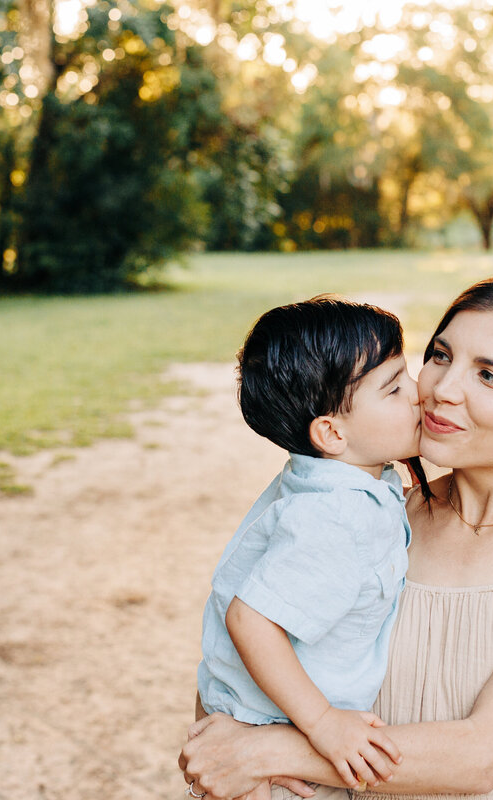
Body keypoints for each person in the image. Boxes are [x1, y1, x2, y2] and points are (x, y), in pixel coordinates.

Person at [180, 275, 493, 800]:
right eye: (441, 356)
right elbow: (239, 633)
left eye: (490, 377)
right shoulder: (371, 512)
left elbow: (480, 758)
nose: (441, 390)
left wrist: (267, 752)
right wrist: (224, 735)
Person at [193, 297, 424, 800]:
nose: (419, 392)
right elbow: (250, 619)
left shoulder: (346, 477)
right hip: (278, 750)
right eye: (393, 388)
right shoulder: (338, 516)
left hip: (259, 722)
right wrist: (323, 724)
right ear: (332, 433)